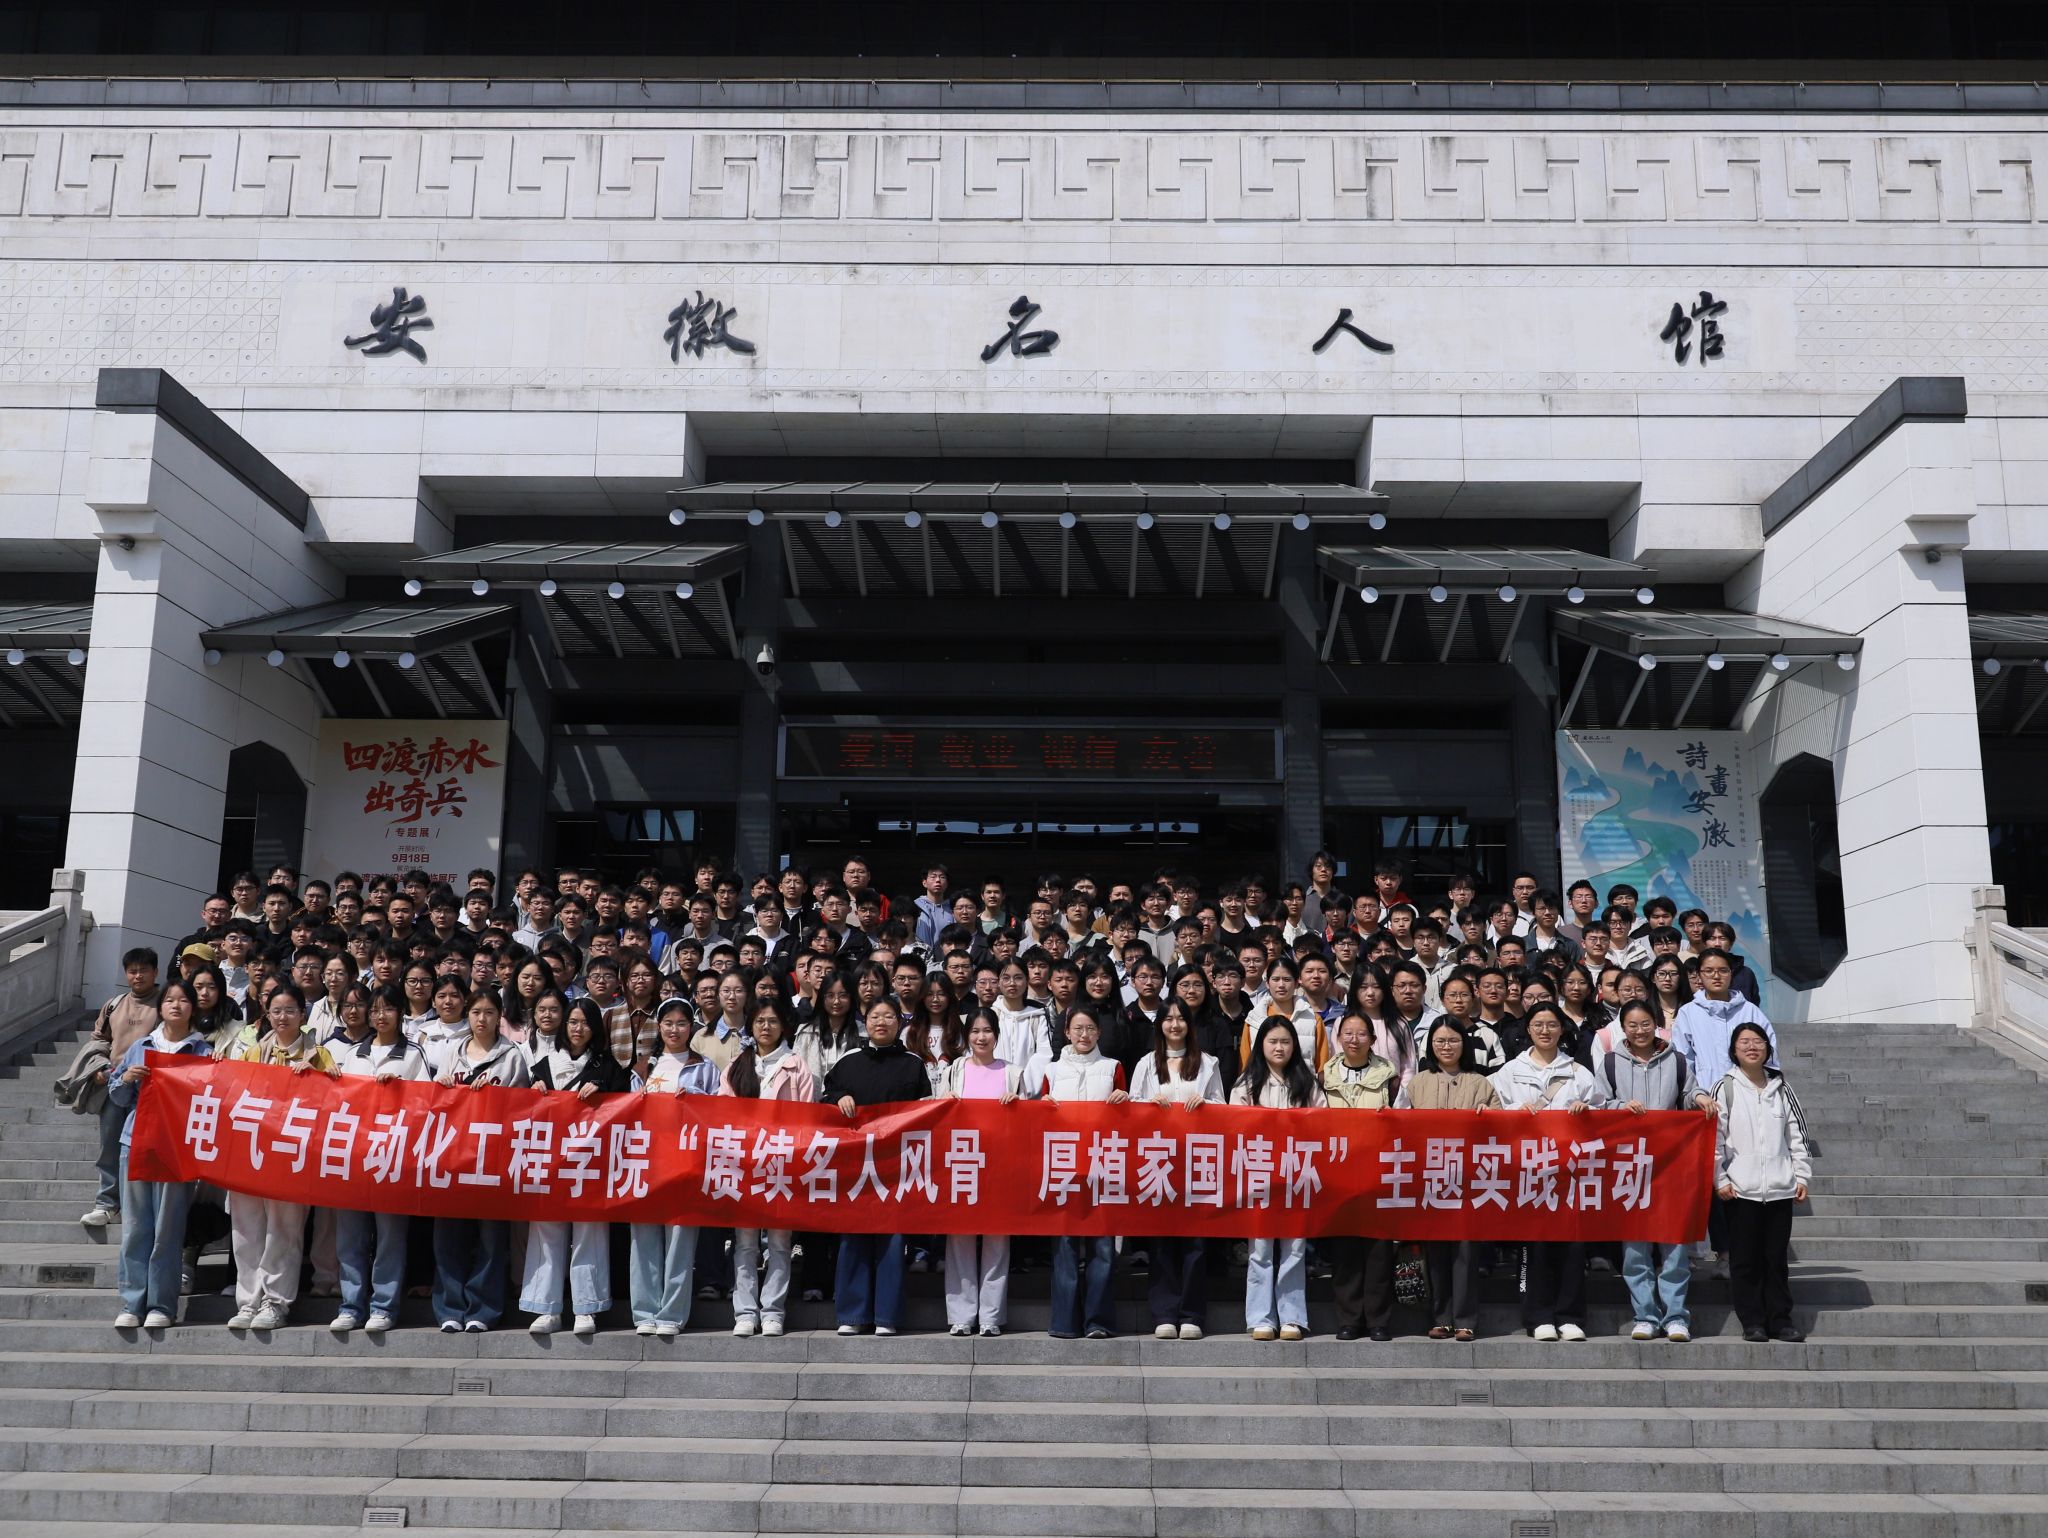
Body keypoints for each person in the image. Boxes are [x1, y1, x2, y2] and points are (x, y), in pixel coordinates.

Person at [1489, 1002, 1605, 1342]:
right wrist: (1516, 1110)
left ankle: (1570, 1316)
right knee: (1534, 1246)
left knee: (1572, 1247)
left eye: (1552, 1024)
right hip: (1528, 1171)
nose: (1545, 1030)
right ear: (1528, 1029)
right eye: (1538, 1024)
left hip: (1569, 1173)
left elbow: (1601, 1112)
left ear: (1562, 1029)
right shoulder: (1510, 1071)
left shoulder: (1578, 1072)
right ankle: (1538, 1315)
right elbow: (1494, 1112)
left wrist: (1587, 1110)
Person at [1602, 999, 1716, 1342]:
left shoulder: (1676, 1060)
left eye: (1646, 1024)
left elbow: (1689, 1090)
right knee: (1635, 1249)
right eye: (1632, 1025)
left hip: (1670, 1164)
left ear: (1657, 1025)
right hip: (1629, 1165)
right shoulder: (1610, 1063)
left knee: (1674, 1246)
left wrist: (1699, 1097)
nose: (1640, 1031)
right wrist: (1621, 1106)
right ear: (1623, 1028)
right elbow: (1598, 1104)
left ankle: (1676, 1316)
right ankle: (1645, 1316)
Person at [223, 982, 335, 1331]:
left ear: (303, 1014)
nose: (282, 1017)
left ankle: (275, 1302)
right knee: (246, 1231)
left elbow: (333, 1101)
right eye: (276, 1011)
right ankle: (248, 1301)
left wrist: (318, 1078)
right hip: (252, 1153)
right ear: (266, 1014)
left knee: (284, 1232)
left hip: (292, 1156)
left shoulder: (319, 1055)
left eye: (290, 1010)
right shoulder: (252, 1054)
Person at [521, 998, 632, 1337]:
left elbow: (626, 1108)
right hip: (550, 1161)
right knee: (546, 1232)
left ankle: (587, 1306)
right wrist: (533, 1091)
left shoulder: (609, 1067)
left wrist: (604, 1091)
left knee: (589, 1232)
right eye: (572, 1022)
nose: (578, 1029)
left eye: (584, 1022)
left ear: (595, 1027)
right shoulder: (543, 1066)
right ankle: (546, 1307)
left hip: (590, 1163)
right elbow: (523, 1111)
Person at [108, 977, 211, 1329]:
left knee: (168, 1229)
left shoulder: (203, 1052)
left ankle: (162, 1305)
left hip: (176, 1149)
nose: (176, 1006)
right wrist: (127, 1079)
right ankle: (132, 1302)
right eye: (169, 1000)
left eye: (183, 1000)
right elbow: (118, 1097)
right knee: (136, 1228)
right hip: (136, 1142)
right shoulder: (142, 1046)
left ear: (192, 1008)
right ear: (160, 1007)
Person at [824, 995, 929, 1336]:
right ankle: (852, 1315)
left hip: (897, 1166)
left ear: (900, 1022)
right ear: (864, 1022)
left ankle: (886, 1317)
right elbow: (825, 1100)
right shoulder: (848, 1061)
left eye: (888, 1016)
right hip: (855, 1164)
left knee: (892, 1240)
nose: (880, 1022)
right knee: (853, 1238)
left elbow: (927, 1110)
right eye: (874, 1016)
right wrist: (839, 1098)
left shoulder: (913, 1064)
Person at [329, 984, 429, 1333]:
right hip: (354, 1155)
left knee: (389, 1237)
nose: (380, 1016)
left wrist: (400, 1090)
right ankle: (351, 1305)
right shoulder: (354, 1053)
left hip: (392, 1157)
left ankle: (384, 1306)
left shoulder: (413, 1053)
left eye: (388, 1009)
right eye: (374, 1010)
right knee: (350, 1237)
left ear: (401, 1013)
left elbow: (425, 1103)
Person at [430, 987, 529, 1332]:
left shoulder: (512, 1056)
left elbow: (523, 1108)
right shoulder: (453, 1052)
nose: (481, 1019)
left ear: (499, 1016)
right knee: (448, 1236)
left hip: (492, 1159)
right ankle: (449, 1309)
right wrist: (442, 1086)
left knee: (490, 1239)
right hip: (453, 1156)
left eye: (489, 1012)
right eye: (475, 1012)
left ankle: (482, 1311)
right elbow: (434, 1105)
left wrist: (497, 1096)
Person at [1395, 1017, 1499, 1340]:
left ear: (1464, 1044)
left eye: (1453, 1040)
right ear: (1430, 1046)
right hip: (1430, 1179)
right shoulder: (1417, 1084)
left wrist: (1490, 1117)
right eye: (1440, 1041)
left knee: (1466, 1252)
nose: (1447, 1046)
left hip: (1468, 1180)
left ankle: (1466, 1319)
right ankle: (1441, 1317)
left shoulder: (1481, 1083)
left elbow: (1502, 1130)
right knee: (1436, 1250)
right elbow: (1400, 1126)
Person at [720, 999, 817, 1339]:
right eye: (760, 1020)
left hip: (781, 1163)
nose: (766, 1027)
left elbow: (807, 1115)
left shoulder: (796, 1065)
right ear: (750, 1025)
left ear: (783, 1026)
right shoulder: (737, 1064)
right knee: (745, 1243)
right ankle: (745, 1312)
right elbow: (723, 1112)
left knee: (779, 1242)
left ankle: (773, 1311)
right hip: (744, 1164)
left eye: (773, 1021)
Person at [1130, 996, 1224, 1339]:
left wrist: (1207, 1104)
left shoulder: (1208, 1063)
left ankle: (1192, 1315)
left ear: (1189, 1024)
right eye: (1168, 1019)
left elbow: (1223, 1107)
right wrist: (1148, 1104)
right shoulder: (1146, 1064)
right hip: (1158, 1162)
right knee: (1162, 1242)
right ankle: (1164, 1313)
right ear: (1159, 1025)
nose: (1174, 1025)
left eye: (1180, 1018)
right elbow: (1132, 1109)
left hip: (1196, 1162)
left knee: (1195, 1244)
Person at [1716, 1021, 1812, 1345]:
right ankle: (1753, 1321)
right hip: (1739, 1190)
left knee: (1775, 1259)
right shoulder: (1725, 1088)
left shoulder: (1782, 1088)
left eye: (1758, 1041)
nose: (1752, 1047)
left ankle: (1780, 1320)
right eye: (1744, 1042)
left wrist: (1801, 1175)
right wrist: (1720, 1178)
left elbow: (1797, 1135)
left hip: (1780, 1189)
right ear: (1734, 1050)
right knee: (1744, 1260)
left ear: (1768, 1049)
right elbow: (1714, 1138)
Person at [1230, 1018, 1325, 1341]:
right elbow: (1234, 1127)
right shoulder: (1247, 1083)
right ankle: (1261, 1317)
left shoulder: (1307, 1081)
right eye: (1273, 1041)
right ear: (1261, 1045)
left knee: (1294, 1248)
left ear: (1294, 1045)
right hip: (1259, 1176)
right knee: (1260, 1250)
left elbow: (1323, 1123)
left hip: (1297, 1175)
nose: (1279, 1048)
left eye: (1285, 1041)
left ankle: (1292, 1317)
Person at [633, 998, 721, 1336]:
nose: (674, 1030)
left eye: (681, 1023)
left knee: (680, 1238)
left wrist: (695, 1097)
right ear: (659, 1026)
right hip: (647, 1161)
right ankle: (644, 1312)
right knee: (644, 1237)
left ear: (691, 1027)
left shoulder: (705, 1067)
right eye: (668, 1023)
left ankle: (671, 1313)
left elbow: (719, 1114)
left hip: (686, 1163)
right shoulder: (643, 1067)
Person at [941, 1007, 1030, 1337]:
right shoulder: (955, 1070)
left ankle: (991, 1316)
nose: (981, 1037)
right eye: (975, 1031)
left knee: (997, 1241)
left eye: (987, 1031)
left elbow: (1029, 1119)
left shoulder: (1013, 1072)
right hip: (962, 1162)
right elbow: (936, 1113)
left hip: (1000, 1165)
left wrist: (1018, 1104)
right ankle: (962, 1316)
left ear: (997, 1035)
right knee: (959, 1240)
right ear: (967, 1036)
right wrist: (946, 1099)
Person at [1042, 1005, 1128, 1339]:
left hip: (1102, 1168)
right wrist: (1041, 1106)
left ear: (1099, 1033)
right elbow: (1039, 1118)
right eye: (1077, 1028)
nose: (1084, 1034)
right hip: (1064, 1169)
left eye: (1090, 1028)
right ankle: (1064, 1321)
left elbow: (1127, 1116)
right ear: (1066, 1032)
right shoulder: (1051, 1070)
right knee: (1064, 1247)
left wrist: (1125, 1099)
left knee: (1102, 1248)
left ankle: (1098, 1321)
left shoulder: (1113, 1067)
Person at [1320, 1012, 1399, 1342]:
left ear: (1372, 1039)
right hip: (1337, 1171)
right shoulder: (1323, 1076)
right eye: (1348, 1033)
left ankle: (1378, 1319)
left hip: (1377, 1172)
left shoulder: (1389, 1077)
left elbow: (1403, 1119)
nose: (1354, 1039)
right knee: (1345, 1249)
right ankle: (1349, 1319)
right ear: (1338, 1038)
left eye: (1361, 1033)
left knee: (1378, 1250)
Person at [82, 946, 162, 1230]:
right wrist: (100, 1067)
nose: (138, 976)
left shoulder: (165, 1002)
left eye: (144, 970)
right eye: (132, 971)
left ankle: (137, 1206)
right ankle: (106, 1204)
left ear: (156, 972)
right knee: (110, 1146)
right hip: (115, 1084)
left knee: (144, 1148)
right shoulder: (114, 1004)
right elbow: (98, 1040)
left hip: (151, 1089)